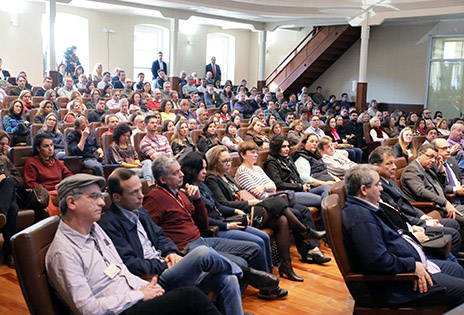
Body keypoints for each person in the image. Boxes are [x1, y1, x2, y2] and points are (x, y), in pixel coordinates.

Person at [46, 173, 222, 315]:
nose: (101, 202)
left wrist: (147, 288)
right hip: (119, 310)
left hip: (131, 298)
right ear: (71, 202)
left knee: (188, 291)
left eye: (100, 196)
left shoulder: (94, 229)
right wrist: (140, 294)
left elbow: (120, 268)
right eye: (93, 197)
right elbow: (87, 309)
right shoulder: (63, 253)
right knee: (190, 297)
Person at [99, 168, 246, 315]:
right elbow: (131, 264)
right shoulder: (109, 224)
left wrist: (171, 251)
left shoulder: (140, 211)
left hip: (169, 267)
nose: (141, 196)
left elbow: (160, 236)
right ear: (117, 197)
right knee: (202, 253)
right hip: (153, 279)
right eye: (134, 193)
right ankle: (246, 272)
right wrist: (163, 264)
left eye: (140, 190)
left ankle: (238, 278)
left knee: (229, 279)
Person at [143, 155, 283, 295]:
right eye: (175, 173)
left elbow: (203, 225)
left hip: (202, 239)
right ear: (162, 179)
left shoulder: (181, 193)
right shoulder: (154, 198)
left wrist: (198, 199)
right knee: (241, 262)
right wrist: (171, 251)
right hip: (186, 247)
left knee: (254, 248)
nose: (182, 175)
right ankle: (236, 293)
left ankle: (263, 289)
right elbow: (153, 233)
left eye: (180, 170)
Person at [342, 164, 464, 309]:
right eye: (377, 185)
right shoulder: (361, 219)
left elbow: (393, 235)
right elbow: (377, 260)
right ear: (364, 190)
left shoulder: (368, 208)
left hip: (414, 266)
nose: (381, 188)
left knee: (458, 270)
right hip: (399, 283)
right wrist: (412, 265)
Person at [369, 146, 462, 257]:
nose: (394, 167)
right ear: (375, 166)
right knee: (453, 234)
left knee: (453, 224)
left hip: (416, 217)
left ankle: (449, 259)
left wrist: (423, 216)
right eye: (389, 164)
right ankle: (442, 262)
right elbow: (398, 214)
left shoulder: (389, 181)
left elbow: (406, 204)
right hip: (410, 225)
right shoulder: (379, 188)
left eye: (394, 163)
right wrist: (425, 223)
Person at [401, 143, 464, 230]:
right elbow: (420, 191)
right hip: (434, 208)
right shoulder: (412, 170)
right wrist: (445, 203)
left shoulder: (428, 167)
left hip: (445, 205)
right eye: (430, 156)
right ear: (420, 155)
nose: (433, 160)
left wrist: (441, 170)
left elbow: (443, 187)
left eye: (435, 157)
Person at [264, 135, 330, 207]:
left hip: (300, 189)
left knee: (325, 187)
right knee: (323, 201)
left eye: (288, 146)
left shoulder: (288, 159)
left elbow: (297, 176)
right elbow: (278, 184)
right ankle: (329, 215)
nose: (287, 149)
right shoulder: (271, 162)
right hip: (290, 193)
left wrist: (304, 184)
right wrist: (299, 186)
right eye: (283, 146)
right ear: (276, 148)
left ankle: (328, 214)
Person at [24, 133, 73, 216]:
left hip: (59, 190)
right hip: (46, 194)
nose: (50, 149)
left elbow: (69, 175)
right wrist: (53, 187)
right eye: (46, 146)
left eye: (51, 145)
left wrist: (63, 184)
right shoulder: (31, 162)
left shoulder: (56, 162)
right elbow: (31, 183)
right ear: (38, 148)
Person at [0, 132, 22, 268]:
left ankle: (1, 214)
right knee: (13, 208)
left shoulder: (6, 161)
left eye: (6, 144)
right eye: (1, 144)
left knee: (8, 182)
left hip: (6, 197)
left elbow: (20, 180)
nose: (4, 147)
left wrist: (5, 177)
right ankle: (8, 253)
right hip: (5, 200)